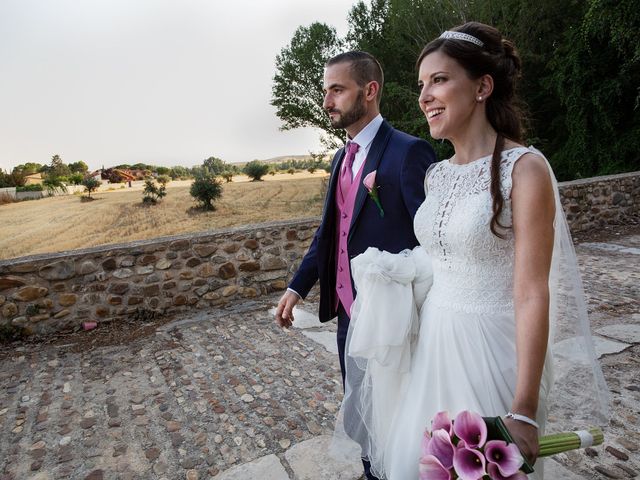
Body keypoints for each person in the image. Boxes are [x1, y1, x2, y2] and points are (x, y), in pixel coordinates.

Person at [335, 22, 609, 480]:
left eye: (439, 80)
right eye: (422, 84)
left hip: (494, 348)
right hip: (435, 344)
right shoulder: (436, 176)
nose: (424, 96)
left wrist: (522, 408)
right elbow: (439, 261)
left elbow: (532, 293)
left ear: (483, 86)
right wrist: (392, 275)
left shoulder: (525, 169)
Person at [274, 50, 436, 479]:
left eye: (337, 89)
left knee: (399, 407)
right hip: (350, 312)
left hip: (396, 319)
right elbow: (331, 232)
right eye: (325, 91)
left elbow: (435, 241)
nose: (327, 100)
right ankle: (372, 471)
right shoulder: (340, 158)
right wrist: (297, 287)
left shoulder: (408, 152)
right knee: (361, 406)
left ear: (370, 91)